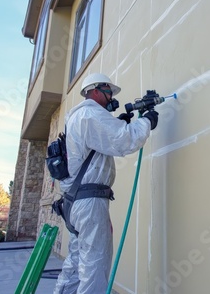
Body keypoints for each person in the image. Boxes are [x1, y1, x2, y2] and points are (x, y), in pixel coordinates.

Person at [53, 73, 159, 293]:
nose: (111, 96)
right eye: (108, 91)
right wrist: (147, 120)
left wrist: (118, 123)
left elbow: (99, 143)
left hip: (74, 203)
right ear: (94, 91)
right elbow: (125, 140)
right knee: (94, 266)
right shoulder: (90, 114)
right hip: (89, 203)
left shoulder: (78, 117)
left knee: (75, 264)